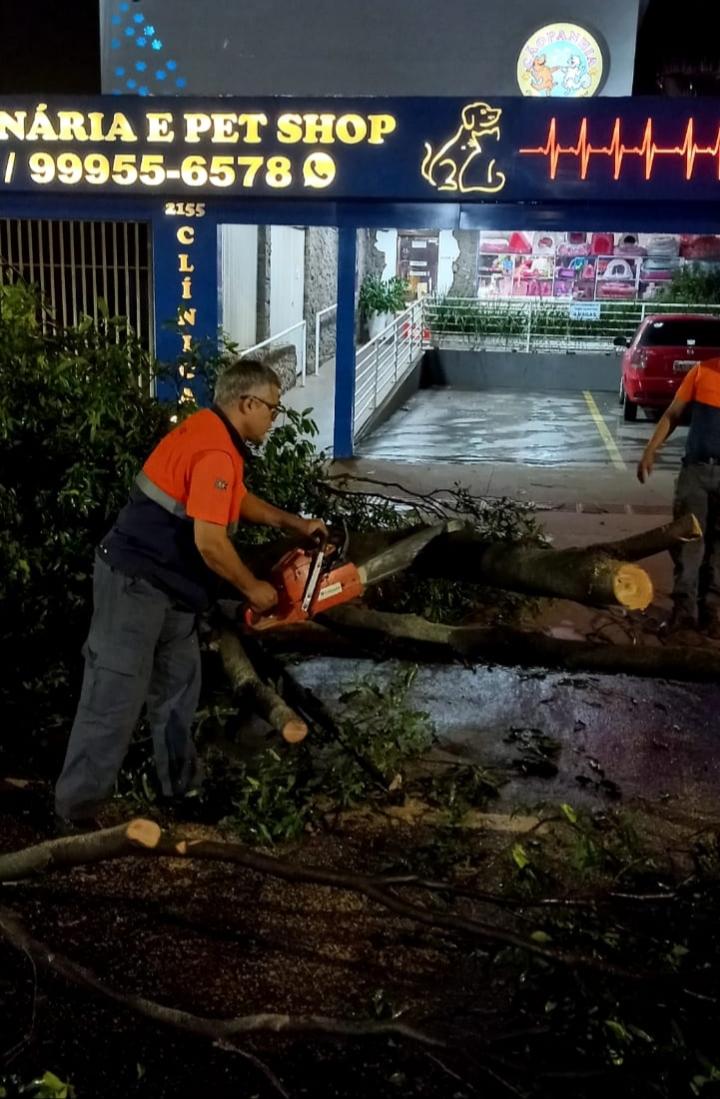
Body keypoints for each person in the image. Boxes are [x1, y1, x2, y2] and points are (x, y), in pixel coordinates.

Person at [54, 358, 327, 831]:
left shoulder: (210, 430)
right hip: (135, 584)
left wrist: (293, 523)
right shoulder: (216, 451)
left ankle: (182, 790)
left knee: (179, 692)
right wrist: (253, 589)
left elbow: (233, 498)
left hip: (176, 592)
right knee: (113, 696)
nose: (274, 417)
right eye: (272, 408)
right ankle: (73, 815)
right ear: (247, 403)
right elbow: (210, 541)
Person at [637, 358, 720, 636]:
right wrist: (651, 449)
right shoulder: (701, 371)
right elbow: (673, 414)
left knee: (718, 550)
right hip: (695, 472)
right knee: (688, 544)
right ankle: (684, 615)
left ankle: (712, 614)